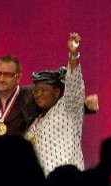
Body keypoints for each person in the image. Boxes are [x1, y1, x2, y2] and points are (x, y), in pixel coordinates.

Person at [0, 19, 98, 184]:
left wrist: (84, 106)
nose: (1, 78)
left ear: (18, 77)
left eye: (7, 75)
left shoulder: (30, 96)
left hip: (19, 179)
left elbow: (62, 101)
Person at [24, 33, 85, 177]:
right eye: (36, 91)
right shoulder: (36, 120)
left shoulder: (68, 109)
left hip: (68, 185)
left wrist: (73, 54)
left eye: (44, 90)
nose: (38, 94)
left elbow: (74, 85)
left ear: (57, 92)